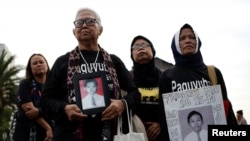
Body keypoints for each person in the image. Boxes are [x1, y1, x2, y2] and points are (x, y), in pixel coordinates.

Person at [40, 7, 140, 141]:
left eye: (90, 21)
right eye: (79, 23)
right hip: (69, 134)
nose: (84, 25)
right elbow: (45, 100)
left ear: (101, 30)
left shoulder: (114, 61)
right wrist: (64, 108)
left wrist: (122, 104)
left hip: (110, 133)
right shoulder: (62, 62)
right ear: (74, 31)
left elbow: (135, 94)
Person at [159, 23, 237, 140]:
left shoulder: (213, 72)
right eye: (183, 38)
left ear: (197, 42)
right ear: (176, 44)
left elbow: (226, 108)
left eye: (192, 37)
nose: (188, 41)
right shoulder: (167, 76)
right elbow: (164, 118)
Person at [13, 53, 53, 141]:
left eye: (41, 62)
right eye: (34, 63)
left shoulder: (53, 86)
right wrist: (48, 128)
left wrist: (39, 111)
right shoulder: (25, 84)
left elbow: (57, 107)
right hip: (26, 133)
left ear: (46, 65)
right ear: (30, 69)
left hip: (52, 133)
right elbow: (30, 111)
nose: (38, 64)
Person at [130, 35, 161, 141]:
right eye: (135, 47)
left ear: (153, 51)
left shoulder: (166, 77)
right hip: (135, 134)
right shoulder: (126, 81)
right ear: (132, 55)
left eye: (144, 45)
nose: (140, 48)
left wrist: (161, 123)